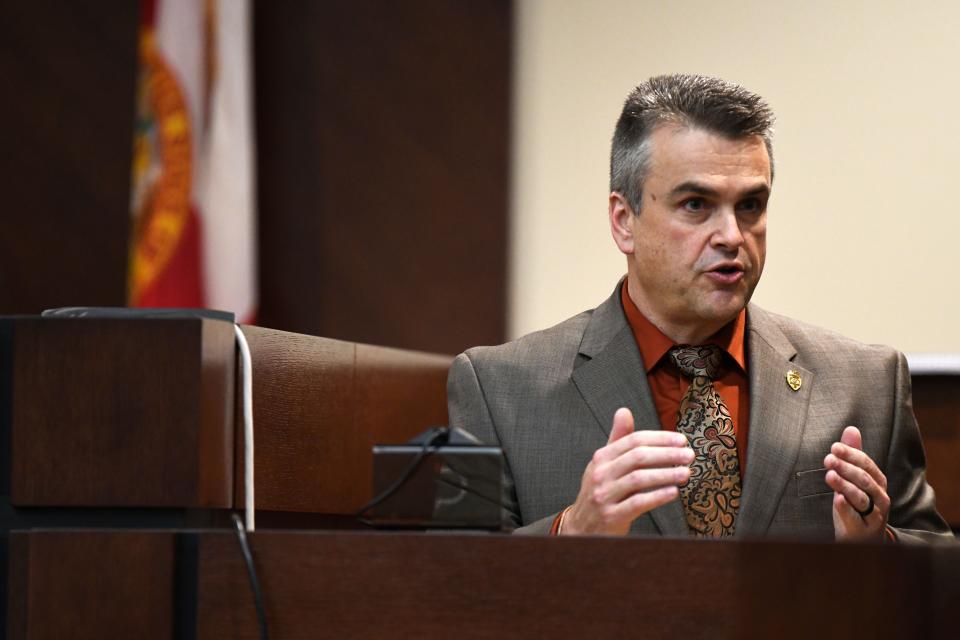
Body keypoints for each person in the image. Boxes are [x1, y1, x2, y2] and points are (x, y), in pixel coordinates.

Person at [447, 74, 953, 542]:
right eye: (696, 205)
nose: (732, 236)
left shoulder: (866, 383)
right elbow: (450, 593)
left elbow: (939, 578)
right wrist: (572, 531)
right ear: (624, 221)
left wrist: (878, 550)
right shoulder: (498, 389)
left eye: (751, 206)